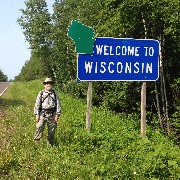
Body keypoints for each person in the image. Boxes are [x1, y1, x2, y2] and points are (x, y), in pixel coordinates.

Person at [34, 78, 61, 146]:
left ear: (52, 85)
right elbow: (37, 105)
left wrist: (57, 115)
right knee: (39, 127)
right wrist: (36, 115)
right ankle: (36, 142)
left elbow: (58, 104)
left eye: (50, 83)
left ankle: (49, 144)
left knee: (52, 130)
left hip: (52, 115)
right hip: (42, 114)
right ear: (44, 85)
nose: (48, 84)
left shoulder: (55, 93)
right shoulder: (41, 93)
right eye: (47, 83)